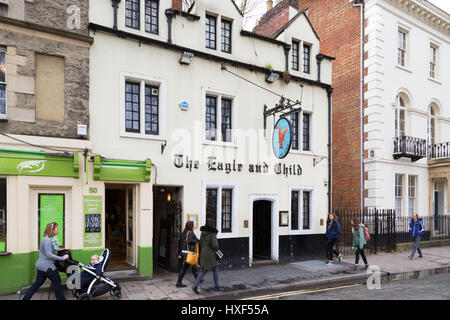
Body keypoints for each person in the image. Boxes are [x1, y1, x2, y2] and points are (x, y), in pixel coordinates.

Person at [22, 222, 69, 300]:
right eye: (57, 228)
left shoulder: (48, 239)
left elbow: (50, 252)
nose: (58, 230)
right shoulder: (48, 240)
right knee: (57, 282)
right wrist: (63, 258)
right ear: (52, 230)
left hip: (41, 266)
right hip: (47, 266)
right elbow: (49, 254)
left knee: (36, 284)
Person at [192, 218, 221, 294]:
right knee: (215, 270)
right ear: (212, 224)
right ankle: (217, 286)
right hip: (211, 254)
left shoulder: (203, 232)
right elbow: (214, 245)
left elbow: (200, 243)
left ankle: (195, 286)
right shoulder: (212, 233)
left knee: (203, 270)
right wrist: (217, 247)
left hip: (204, 252)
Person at [176, 221, 199, 288]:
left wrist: (179, 253)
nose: (193, 227)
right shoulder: (190, 233)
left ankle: (198, 279)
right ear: (191, 226)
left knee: (192, 267)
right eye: (193, 225)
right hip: (189, 253)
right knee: (185, 268)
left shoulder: (183, 233)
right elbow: (190, 241)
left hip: (184, 253)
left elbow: (181, 243)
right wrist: (197, 241)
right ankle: (179, 282)